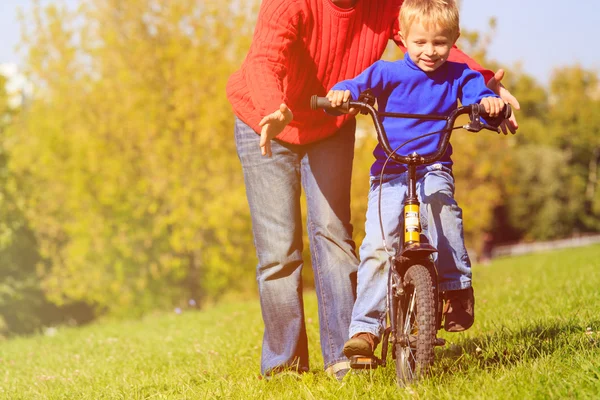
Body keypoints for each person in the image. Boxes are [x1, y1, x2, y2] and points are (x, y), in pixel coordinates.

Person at [226, 0, 519, 379]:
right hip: (265, 119)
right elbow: (266, 58)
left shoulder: (384, 4)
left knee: (333, 234)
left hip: (329, 122)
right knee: (279, 251)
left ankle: (343, 358)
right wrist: (274, 107)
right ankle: (284, 367)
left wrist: (487, 85)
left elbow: (432, 39)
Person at [325, 0, 512, 358]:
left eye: (440, 43)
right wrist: (344, 93)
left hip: (433, 167)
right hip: (389, 173)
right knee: (378, 247)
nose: (430, 51)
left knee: (443, 210)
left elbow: (480, 96)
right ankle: (365, 330)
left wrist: (489, 105)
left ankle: (456, 289)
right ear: (404, 38)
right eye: (420, 42)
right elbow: (355, 84)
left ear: (454, 39)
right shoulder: (386, 73)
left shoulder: (460, 75)